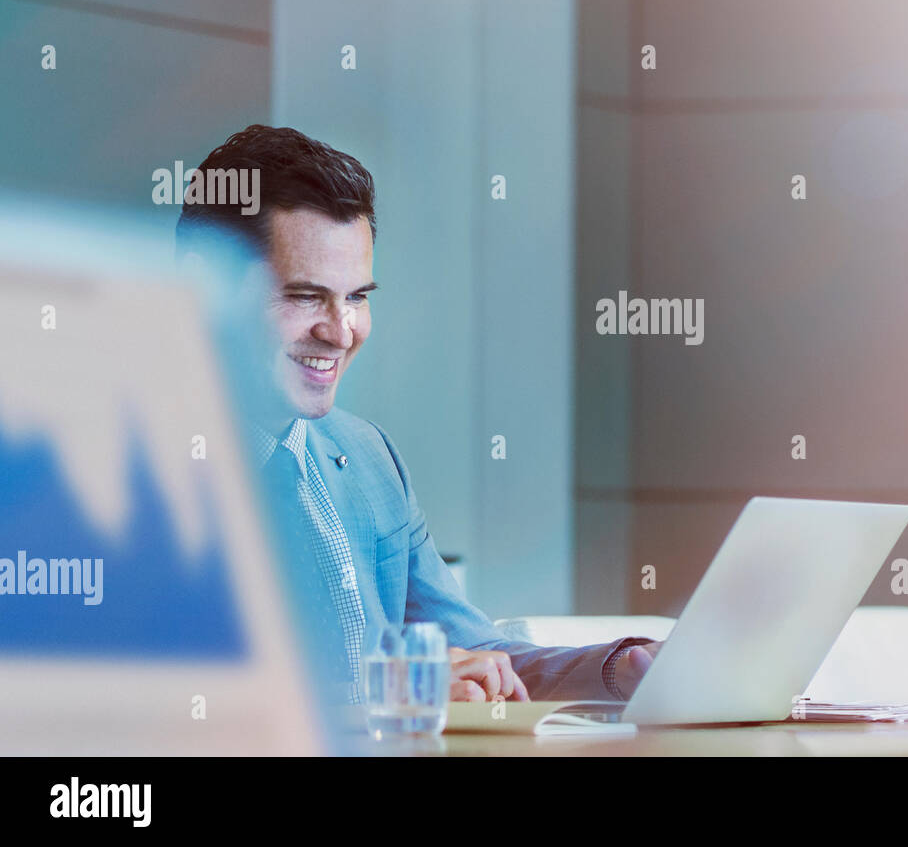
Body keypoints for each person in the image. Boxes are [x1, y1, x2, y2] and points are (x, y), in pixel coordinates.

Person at [176, 124, 659, 704]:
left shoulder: (368, 458)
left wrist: (624, 667)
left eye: (356, 297)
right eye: (305, 296)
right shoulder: (128, 468)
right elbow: (153, 702)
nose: (341, 331)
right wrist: (389, 688)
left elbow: (480, 658)